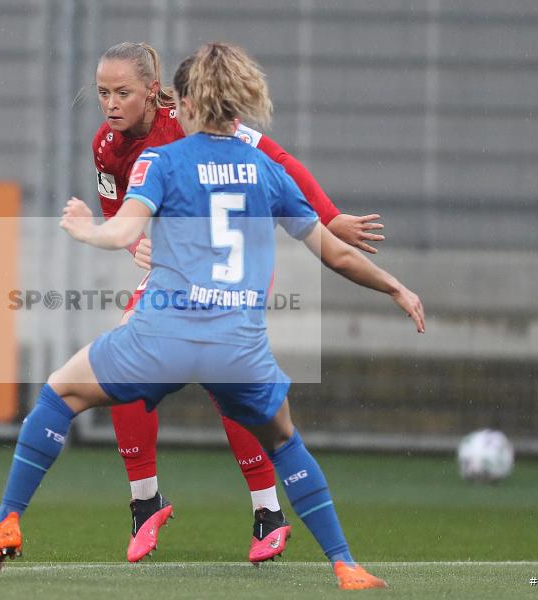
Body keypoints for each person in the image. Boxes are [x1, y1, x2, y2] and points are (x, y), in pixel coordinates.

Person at [0, 41, 424, 590]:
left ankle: (6, 521)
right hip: (236, 341)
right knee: (285, 441)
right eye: (104, 93)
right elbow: (336, 253)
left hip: (164, 332)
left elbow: (120, 229)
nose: (111, 103)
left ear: (178, 101)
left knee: (59, 394)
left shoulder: (163, 159)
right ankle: (344, 562)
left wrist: (83, 227)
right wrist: (395, 286)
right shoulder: (262, 169)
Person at [90, 42, 386, 564]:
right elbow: (122, 214)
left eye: (123, 92)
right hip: (180, 267)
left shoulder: (188, 119)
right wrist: (138, 240)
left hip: (235, 262)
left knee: (222, 378)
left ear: (154, 92)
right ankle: (146, 501)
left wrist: (329, 216)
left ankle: (268, 511)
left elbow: (277, 158)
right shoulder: (105, 147)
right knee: (126, 364)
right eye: (102, 93)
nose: (111, 103)